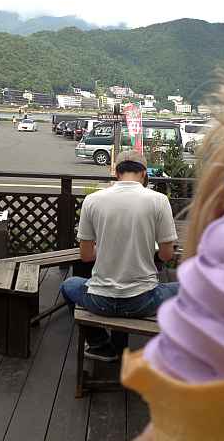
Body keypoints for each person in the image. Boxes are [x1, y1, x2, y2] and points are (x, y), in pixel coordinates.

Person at [60, 150, 179, 361]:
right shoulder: (159, 200)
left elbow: (86, 256)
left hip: (101, 300)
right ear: (143, 173)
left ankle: (100, 345)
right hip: (144, 301)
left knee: (69, 286)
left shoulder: (93, 200)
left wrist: (107, 250)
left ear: (116, 173)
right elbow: (168, 255)